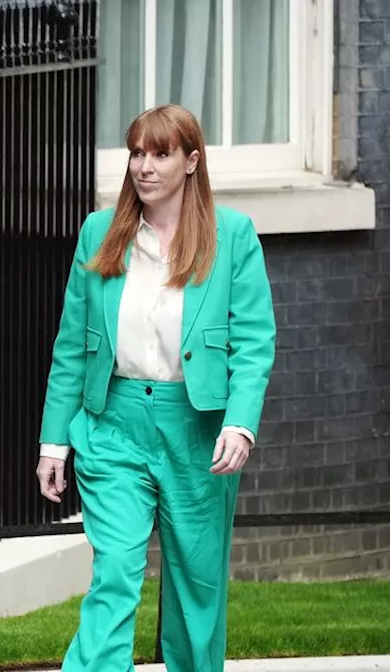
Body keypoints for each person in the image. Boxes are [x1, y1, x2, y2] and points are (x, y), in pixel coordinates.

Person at [34, 104, 276, 672]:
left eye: (161, 154)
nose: (145, 166)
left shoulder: (232, 236)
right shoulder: (100, 233)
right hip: (113, 425)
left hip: (196, 431)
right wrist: (53, 442)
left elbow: (255, 341)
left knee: (197, 588)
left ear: (191, 161)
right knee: (114, 570)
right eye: (137, 152)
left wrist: (240, 422)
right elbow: (73, 344)